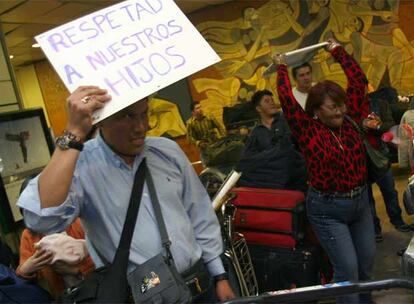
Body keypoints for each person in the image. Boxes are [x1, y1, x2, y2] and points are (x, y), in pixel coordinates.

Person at [17, 87, 235, 303]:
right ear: (100, 120)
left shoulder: (166, 152)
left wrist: (219, 274)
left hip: (200, 285)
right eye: (128, 116)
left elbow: (199, 213)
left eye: (144, 113)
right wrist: (73, 133)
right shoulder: (82, 167)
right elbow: (41, 218)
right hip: (142, 296)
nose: (142, 127)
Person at [274, 39, 375, 304]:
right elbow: (286, 100)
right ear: (317, 110)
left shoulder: (350, 119)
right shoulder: (308, 130)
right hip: (327, 209)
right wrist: (282, 68)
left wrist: (337, 50)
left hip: (361, 202)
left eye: (341, 104)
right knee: (348, 271)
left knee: (366, 266)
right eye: (333, 107)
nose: (340, 110)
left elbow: (357, 80)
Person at [363, 96, 413, 243]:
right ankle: (375, 230)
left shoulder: (380, 103)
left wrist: (376, 126)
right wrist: (362, 124)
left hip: (381, 155)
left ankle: (398, 222)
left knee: (390, 191)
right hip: (361, 158)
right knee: (367, 198)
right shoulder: (351, 106)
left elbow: (390, 126)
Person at [236, 90, 307, 191]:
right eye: (267, 101)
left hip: (294, 176)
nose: (272, 102)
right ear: (258, 108)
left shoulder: (286, 120)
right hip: (272, 181)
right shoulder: (256, 132)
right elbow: (247, 159)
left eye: (272, 100)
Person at [16, 218, 95, 299]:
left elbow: (101, 257)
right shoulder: (29, 234)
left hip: (95, 289)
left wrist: (77, 270)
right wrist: (26, 270)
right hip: (64, 296)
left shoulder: (76, 222)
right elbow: (21, 279)